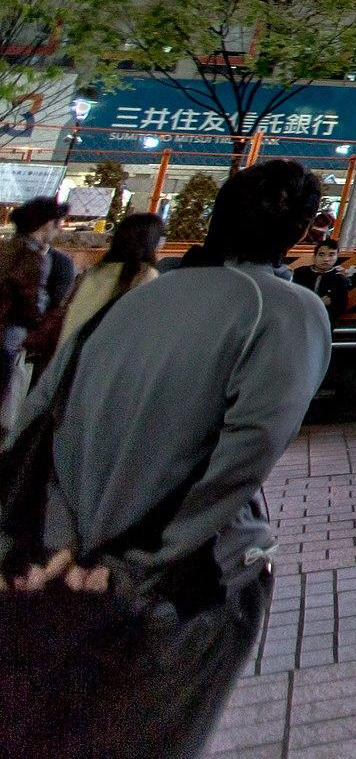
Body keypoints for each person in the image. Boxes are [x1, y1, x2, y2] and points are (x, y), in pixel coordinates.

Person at [1, 162, 330, 754]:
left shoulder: (135, 299)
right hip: (177, 581)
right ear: (304, 230)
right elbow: (244, 456)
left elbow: (39, 420)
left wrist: (51, 543)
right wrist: (140, 558)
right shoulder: (286, 310)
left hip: (58, 565)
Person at [0, 196, 77, 418]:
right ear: (46, 224)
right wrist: (39, 324)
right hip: (9, 336)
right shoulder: (33, 257)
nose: (59, 230)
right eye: (58, 224)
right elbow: (31, 303)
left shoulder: (6, 248)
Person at [57, 211, 163, 349]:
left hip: (68, 355)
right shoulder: (145, 275)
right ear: (151, 241)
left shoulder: (94, 271)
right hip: (103, 357)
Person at [290, 238, 353, 323]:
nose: (326, 259)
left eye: (331, 255)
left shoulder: (339, 278)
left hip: (324, 321)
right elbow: (292, 298)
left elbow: (340, 307)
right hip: (298, 319)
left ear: (337, 257)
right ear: (314, 256)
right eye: (321, 254)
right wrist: (319, 302)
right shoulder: (300, 273)